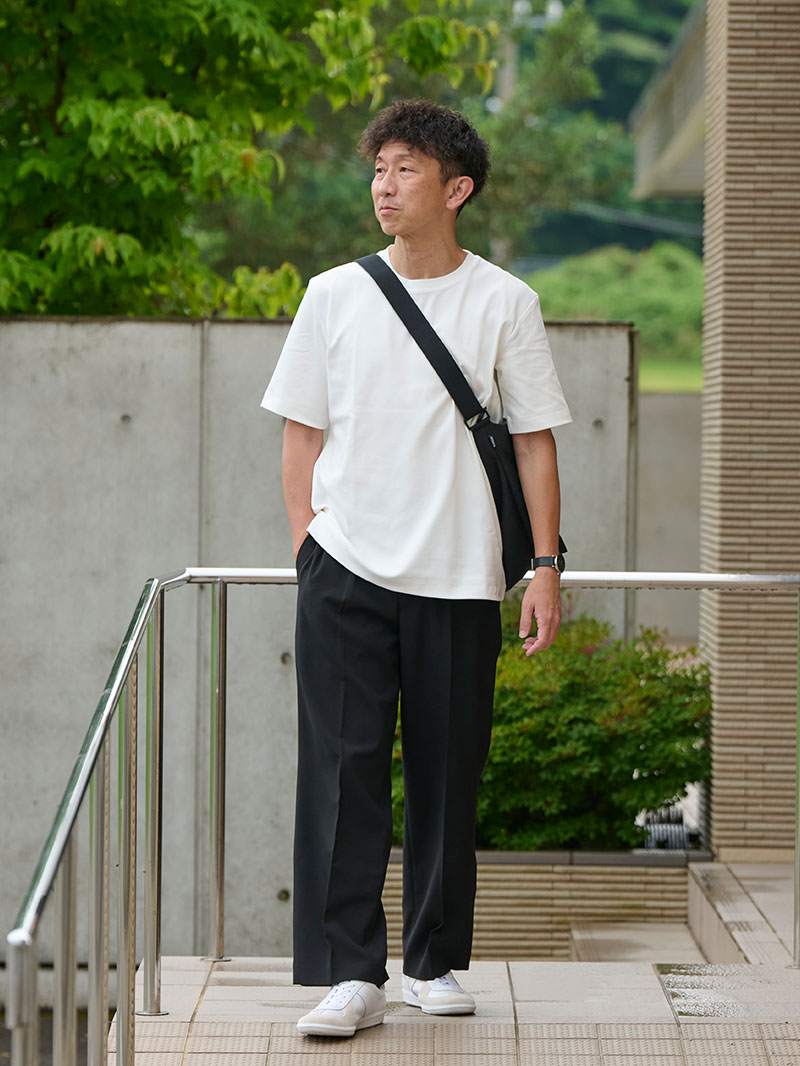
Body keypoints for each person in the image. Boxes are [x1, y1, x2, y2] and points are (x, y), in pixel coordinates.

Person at [260, 98, 571, 1038]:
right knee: (342, 772)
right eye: (379, 168)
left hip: (461, 573)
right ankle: (351, 975)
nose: (384, 186)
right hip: (345, 567)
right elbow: (301, 431)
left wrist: (545, 568)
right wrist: (308, 544)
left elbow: (534, 443)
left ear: (456, 188)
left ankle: (434, 962)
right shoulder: (333, 294)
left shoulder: (505, 301)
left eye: (405, 169)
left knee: (447, 773)